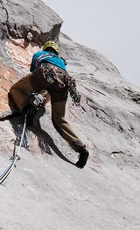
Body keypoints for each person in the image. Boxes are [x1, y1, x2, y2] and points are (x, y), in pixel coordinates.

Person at [9, 40, 90, 168]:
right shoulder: (61, 61)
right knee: (59, 120)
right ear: (56, 52)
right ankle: (81, 149)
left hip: (44, 73)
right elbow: (54, 86)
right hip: (63, 82)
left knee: (15, 89)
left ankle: (27, 109)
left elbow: (34, 73)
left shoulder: (39, 54)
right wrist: (44, 102)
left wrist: (39, 97)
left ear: (45, 48)